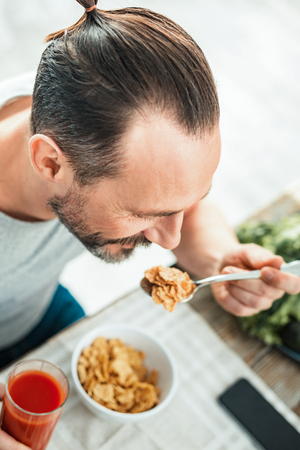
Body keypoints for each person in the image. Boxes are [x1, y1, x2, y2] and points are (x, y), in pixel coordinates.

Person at [1, 1, 300, 447]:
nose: (172, 239)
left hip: (35, 312)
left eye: (184, 203)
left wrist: (222, 257)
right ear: (49, 161)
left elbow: (186, 211)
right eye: (145, 213)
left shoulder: (73, 109)